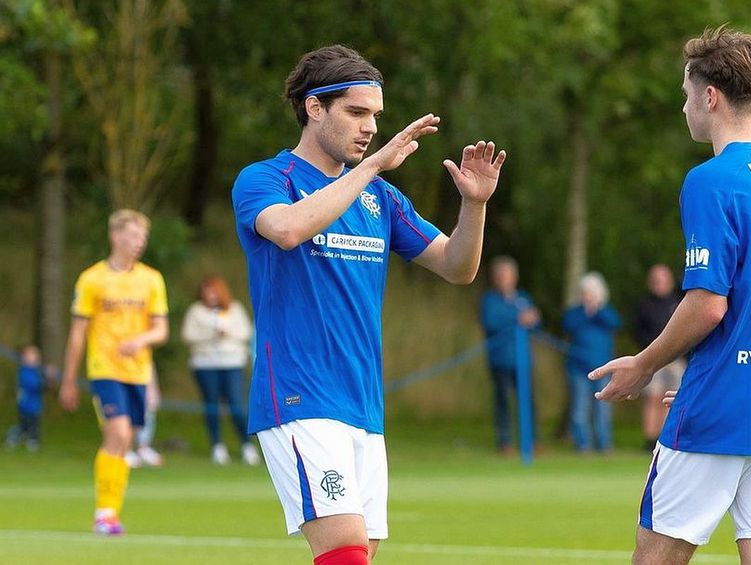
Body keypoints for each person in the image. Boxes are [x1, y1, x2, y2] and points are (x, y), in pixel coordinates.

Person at [232, 45, 505, 564]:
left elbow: (457, 266)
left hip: (362, 403)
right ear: (315, 108)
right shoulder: (266, 179)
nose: (370, 129)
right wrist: (373, 168)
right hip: (299, 396)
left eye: (375, 117)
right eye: (356, 113)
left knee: (357, 555)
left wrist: (474, 205)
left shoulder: (381, 198)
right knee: (345, 553)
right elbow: (287, 229)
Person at [589, 27, 751, 565]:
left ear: (710, 97)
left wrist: (644, 365)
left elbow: (709, 303)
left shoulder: (713, 179)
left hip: (721, 416)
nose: (684, 107)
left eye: (685, 93)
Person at [59, 209, 169, 536]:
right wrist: (68, 379)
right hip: (104, 369)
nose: (139, 243)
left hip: (138, 372)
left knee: (125, 442)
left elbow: (161, 330)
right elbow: (78, 334)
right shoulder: (92, 279)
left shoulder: (151, 279)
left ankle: (111, 514)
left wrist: (140, 341)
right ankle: (104, 513)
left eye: (143, 238)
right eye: (133, 236)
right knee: (118, 434)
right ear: (115, 236)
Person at [181, 275, 259, 466]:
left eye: (214, 290)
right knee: (212, 406)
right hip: (205, 364)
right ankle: (217, 445)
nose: (210, 295)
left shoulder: (234, 308)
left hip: (232, 362)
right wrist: (211, 334)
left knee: (235, 404)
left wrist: (227, 333)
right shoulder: (196, 311)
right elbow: (188, 335)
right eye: (207, 291)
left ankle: (246, 445)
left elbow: (246, 333)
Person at [479, 255, 540, 454]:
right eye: (501, 275)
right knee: (503, 401)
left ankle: (531, 442)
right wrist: (518, 318)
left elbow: (534, 323)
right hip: (500, 360)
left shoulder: (522, 298)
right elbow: (491, 321)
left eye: (508, 275)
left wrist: (532, 319)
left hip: (523, 361)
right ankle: (505, 442)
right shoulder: (490, 300)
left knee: (529, 402)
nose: (505, 279)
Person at [561, 272, 620, 453]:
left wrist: (597, 311)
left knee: (603, 409)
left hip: (602, 368)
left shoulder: (606, 313)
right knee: (579, 408)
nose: (587, 296)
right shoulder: (575, 313)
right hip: (578, 368)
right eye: (585, 292)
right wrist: (587, 313)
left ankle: (604, 443)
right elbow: (568, 326)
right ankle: (583, 444)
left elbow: (615, 323)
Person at [633, 264, 685, 452]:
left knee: (671, 398)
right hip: (653, 359)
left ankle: (665, 437)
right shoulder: (644, 305)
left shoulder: (678, 302)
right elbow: (638, 331)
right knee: (652, 397)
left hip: (676, 358)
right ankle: (650, 437)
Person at [4, 345, 50, 452]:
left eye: (37, 357)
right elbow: (35, 386)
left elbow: (41, 384)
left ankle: (28, 439)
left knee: (31, 425)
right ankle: (28, 440)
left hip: (34, 406)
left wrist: (47, 376)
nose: (36, 359)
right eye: (32, 357)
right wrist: (46, 381)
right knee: (27, 426)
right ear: (24, 359)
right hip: (27, 406)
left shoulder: (35, 372)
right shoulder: (24, 372)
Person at [124, 365, 164, 468]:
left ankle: (143, 448)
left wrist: (153, 388)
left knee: (147, 410)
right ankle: (126, 449)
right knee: (126, 415)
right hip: (123, 375)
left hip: (142, 375)